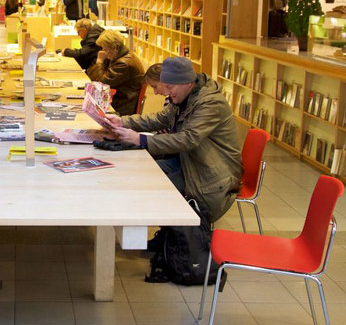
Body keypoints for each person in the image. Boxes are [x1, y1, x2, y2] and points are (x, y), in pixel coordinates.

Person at [107, 57, 242, 222]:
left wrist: (140, 140)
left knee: (156, 189)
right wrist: (123, 121)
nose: (166, 92)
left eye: (170, 87)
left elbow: (188, 139)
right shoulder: (184, 97)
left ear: (187, 83)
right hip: (189, 160)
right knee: (143, 175)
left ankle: (173, 239)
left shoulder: (210, 103)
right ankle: (167, 238)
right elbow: (161, 118)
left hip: (211, 171)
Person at [86, 29, 144, 115]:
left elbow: (100, 83)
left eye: (105, 49)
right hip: (118, 99)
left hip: (122, 105)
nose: (102, 51)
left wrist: (99, 61)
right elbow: (93, 77)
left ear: (115, 48)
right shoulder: (118, 57)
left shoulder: (124, 64)